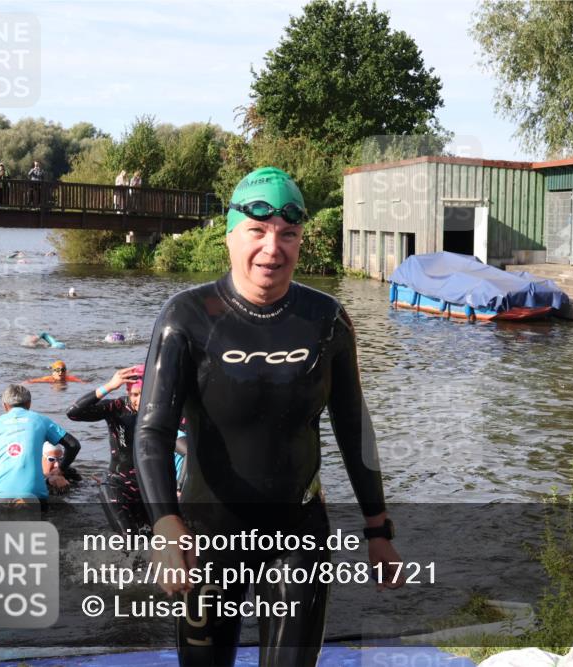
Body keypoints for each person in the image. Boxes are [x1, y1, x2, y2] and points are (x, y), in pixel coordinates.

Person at [135, 166, 402, 667]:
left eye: (288, 234)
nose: (272, 249)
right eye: (257, 231)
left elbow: (353, 428)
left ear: (300, 241)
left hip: (298, 533)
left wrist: (378, 530)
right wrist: (165, 524)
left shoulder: (326, 320)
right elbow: (153, 431)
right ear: (229, 236)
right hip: (208, 535)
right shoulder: (187, 316)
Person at [66, 365, 150, 536]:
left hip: (150, 487)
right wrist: (110, 386)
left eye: (144, 394)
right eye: (134, 394)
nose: (139, 400)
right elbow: (74, 413)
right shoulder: (117, 407)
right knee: (129, 540)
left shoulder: (161, 411)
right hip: (117, 484)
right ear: (128, 392)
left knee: (153, 538)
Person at [0, 384, 81, 505]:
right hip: (34, 497)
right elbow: (73, 445)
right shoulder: (41, 420)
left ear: (4, 406)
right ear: (29, 404)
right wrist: (60, 469)